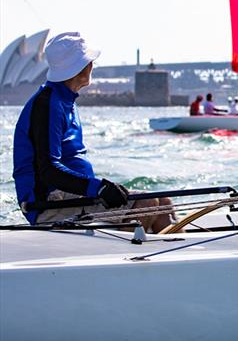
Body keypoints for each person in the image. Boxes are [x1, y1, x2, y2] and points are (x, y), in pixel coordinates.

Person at [12, 32, 172, 231]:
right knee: (146, 205)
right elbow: (48, 170)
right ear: (81, 68)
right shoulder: (47, 104)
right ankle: (121, 258)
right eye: (90, 62)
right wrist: (99, 188)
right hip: (48, 203)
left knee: (163, 203)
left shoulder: (63, 99)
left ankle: (183, 258)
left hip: (74, 197)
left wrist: (97, 189)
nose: (93, 66)